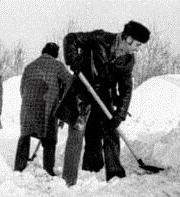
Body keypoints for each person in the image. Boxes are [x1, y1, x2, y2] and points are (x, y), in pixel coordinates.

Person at [59, 21, 150, 185]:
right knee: (77, 131)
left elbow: (126, 87)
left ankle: (115, 175)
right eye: (137, 44)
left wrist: (120, 113)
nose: (137, 49)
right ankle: (68, 179)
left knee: (111, 131)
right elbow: (70, 38)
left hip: (103, 94)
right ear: (128, 39)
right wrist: (74, 60)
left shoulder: (128, 60)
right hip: (82, 89)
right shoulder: (99, 38)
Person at [14, 42, 72, 176]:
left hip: (28, 106)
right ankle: (48, 168)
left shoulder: (29, 67)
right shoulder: (57, 65)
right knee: (49, 137)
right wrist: (62, 101)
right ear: (55, 54)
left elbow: (22, 89)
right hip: (48, 106)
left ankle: (19, 167)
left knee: (25, 136)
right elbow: (70, 82)